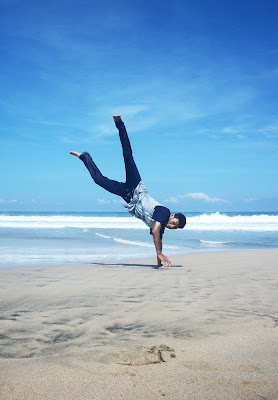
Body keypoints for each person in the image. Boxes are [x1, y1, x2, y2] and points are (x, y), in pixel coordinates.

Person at [70, 115, 186, 268]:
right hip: (136, 187)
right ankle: (120, 124)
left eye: (174, 227)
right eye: (173, 223)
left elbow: (158, 240)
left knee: (99, 180)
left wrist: (159, 264)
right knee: (127, 156)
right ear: (171, 216)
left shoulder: (160, 226)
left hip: (127, 196)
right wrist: (159, 254)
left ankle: (85, 157)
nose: (171, 226)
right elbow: (156, 232)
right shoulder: (164, 213)